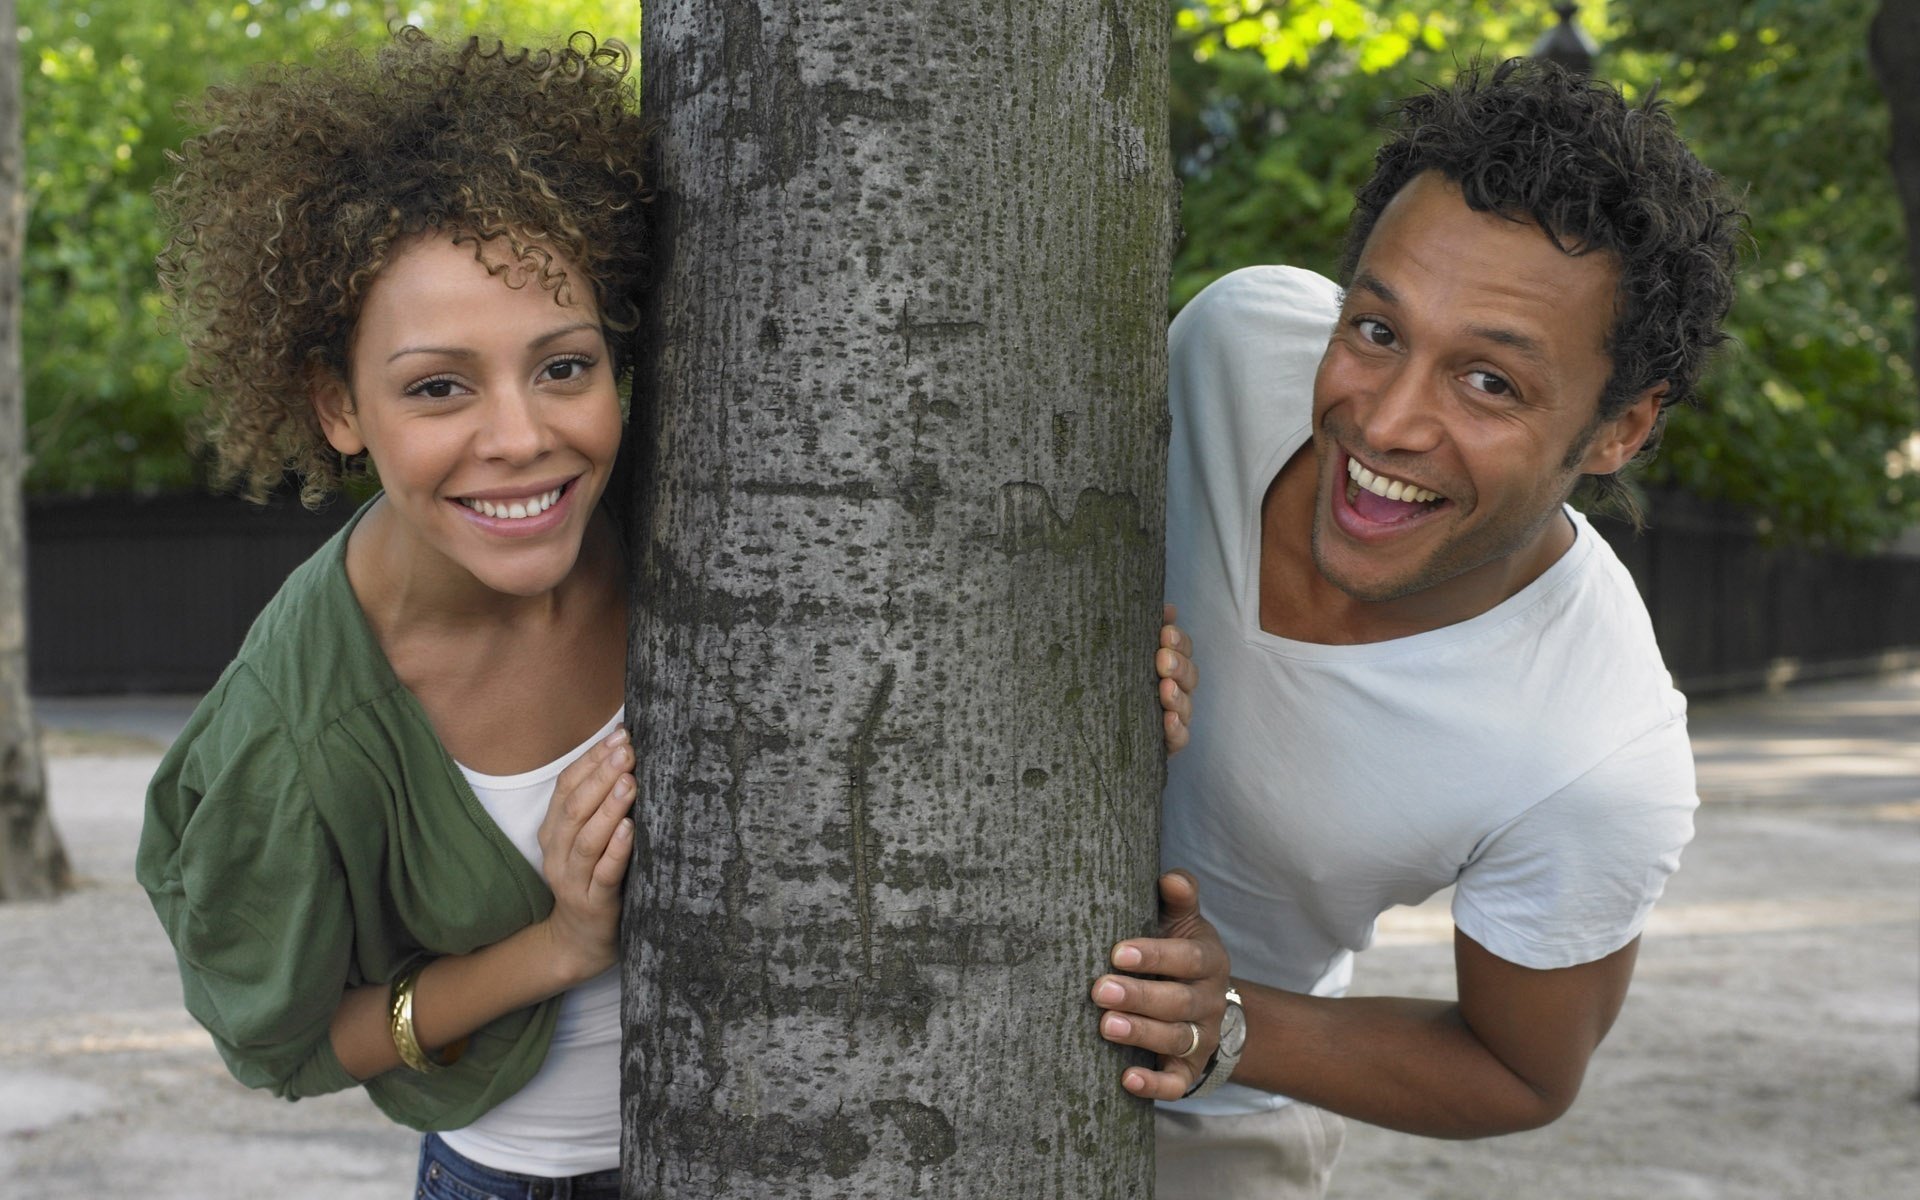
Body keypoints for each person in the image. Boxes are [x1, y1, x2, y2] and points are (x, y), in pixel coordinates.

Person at [137, 28, 1198, 1197]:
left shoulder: (706, 497)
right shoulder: (287, 735)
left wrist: (1094, 683)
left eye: (563, 367)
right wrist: (555, 947)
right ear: (337, 404)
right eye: (439, 386)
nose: (520, 436)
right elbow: (282, 1046)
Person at [1089, 58, 1746, 1199]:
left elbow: (1521, 1071)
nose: (1386, 422)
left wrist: (1228, 1023)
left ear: (1620, 429)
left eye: (1489, 382)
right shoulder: (1230, 348)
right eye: (1378, 330)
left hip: (1195, 1133)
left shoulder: (1596, 752)